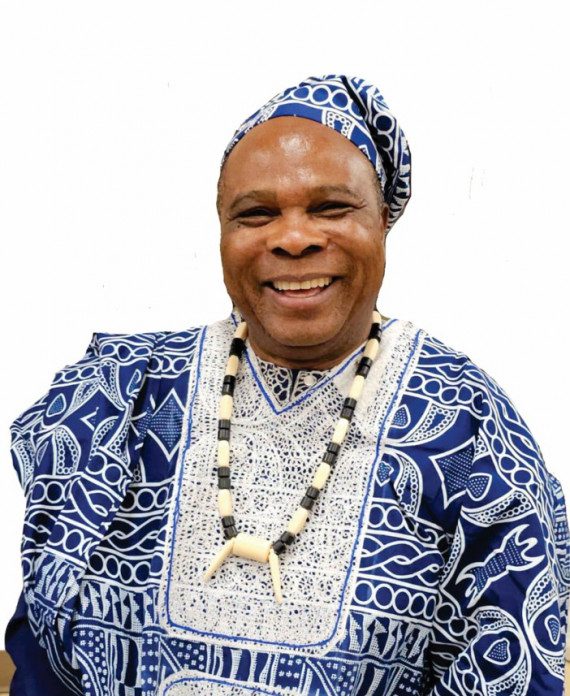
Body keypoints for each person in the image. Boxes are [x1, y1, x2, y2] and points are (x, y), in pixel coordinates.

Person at [5, 74, 570, 695]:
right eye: (256, 214)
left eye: (331, 208)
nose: (294, 238)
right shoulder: (116, 399)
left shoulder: (465, 423)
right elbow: (43, 660)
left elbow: (512, 668)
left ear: (384, 220)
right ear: (222, 232)